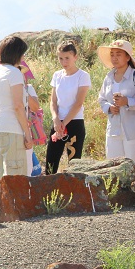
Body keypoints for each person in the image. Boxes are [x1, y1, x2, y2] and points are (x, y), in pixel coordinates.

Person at [0, 36, 33, 197]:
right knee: (15, 173)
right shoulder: (14, 73)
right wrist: (27, 134)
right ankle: (15, 209)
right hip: (11, 129)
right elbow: (18, 106)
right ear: (18, 54)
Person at [97, 40, 135, 167]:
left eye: (118, 54)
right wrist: (109, 108)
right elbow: (101, 99)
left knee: (134, 167)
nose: (114, 58)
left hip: (134, 131)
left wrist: (127, 101)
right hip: (113, 130)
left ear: (128, 57)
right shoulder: (108, 77)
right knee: (113, 168)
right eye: (112, 54)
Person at [45, 41, 91, 174]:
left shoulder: (83, 76)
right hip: (58, 123)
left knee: (74, 164)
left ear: (75, 57)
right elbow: (53, 101)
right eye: (61, 58)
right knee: (50, 163)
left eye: (67, 58)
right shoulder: (57, 75)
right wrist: (56, 120)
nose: (64, 61)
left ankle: (72, 193)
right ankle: (49, 192)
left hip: (74, 122)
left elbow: (78, 103)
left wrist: (64, 123)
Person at [21, 66, 41, 176]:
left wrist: (23, 91)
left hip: (26, 130)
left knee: (28, 165)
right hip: (12, 129)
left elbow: (35, 107)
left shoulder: (28, 88)